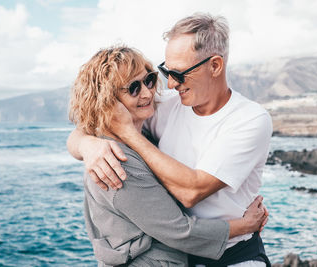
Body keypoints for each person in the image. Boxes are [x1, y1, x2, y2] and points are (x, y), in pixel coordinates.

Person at [67, 13, 272, 266]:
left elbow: (191, 191)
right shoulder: (164, 107)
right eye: (164, 72)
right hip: (179, 254)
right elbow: (89, 124)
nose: (170, 85)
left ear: (215, 66)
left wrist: (129, 134)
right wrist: (88, 145)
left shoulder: (249, 119)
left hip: (231, 255)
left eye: (178, 74)